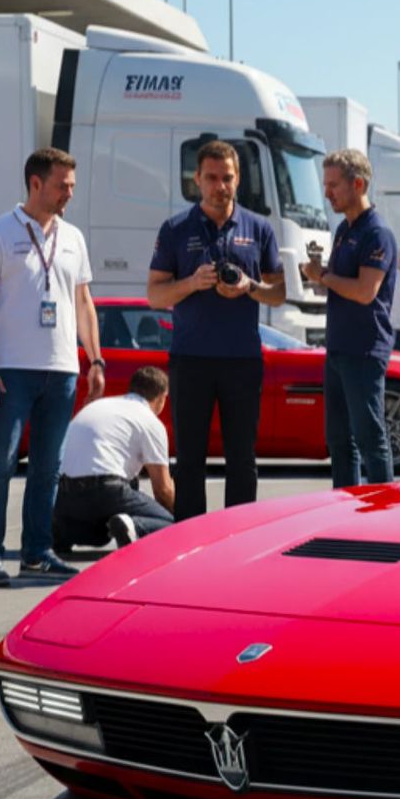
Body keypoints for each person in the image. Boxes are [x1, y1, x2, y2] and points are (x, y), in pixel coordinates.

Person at [0, 147, 102, 585]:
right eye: (62, 185)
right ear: (35, 183)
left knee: (48, 467)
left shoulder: (74, 238)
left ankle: (36, 552)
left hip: (61, 369)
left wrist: (94, 358)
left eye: (72, 186)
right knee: (0, 463)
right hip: (10, 369)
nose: (69, 193)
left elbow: (84, 303)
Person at [146, 139, 284, 521]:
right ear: (197, 179)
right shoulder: (176, 228)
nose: (219, 186)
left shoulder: (259, 228)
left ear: (238, 179)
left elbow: (280, 293)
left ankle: (238, 536)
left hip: (242, 360)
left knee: (242, 457)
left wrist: (248, 287)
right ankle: (190, 537)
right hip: (191, 360)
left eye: (227, 178)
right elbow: (155, 295)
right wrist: (191, 283)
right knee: (189, 458)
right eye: (211, 178)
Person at [301, 147, 396, 488]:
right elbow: (344, 287)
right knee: (339, 441)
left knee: (369, 438)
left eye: (333, 185)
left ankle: (385, 511)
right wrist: (319, 275)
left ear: (358, 184)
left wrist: (322, 277)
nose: (327, 193)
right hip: (339, 347)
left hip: (364, 349)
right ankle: (345, 511)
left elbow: (364, 291)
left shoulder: (376, 232)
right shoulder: (343, 229)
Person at [52, 365, 175, 550]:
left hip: (63, 492)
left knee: (102, 534)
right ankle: (134, 526)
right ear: (160, 398)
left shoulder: (100, 406)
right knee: (173, 524)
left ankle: (62, 529)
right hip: (106, 491)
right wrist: (179, 516)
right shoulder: (150, 421)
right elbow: (163, 490)